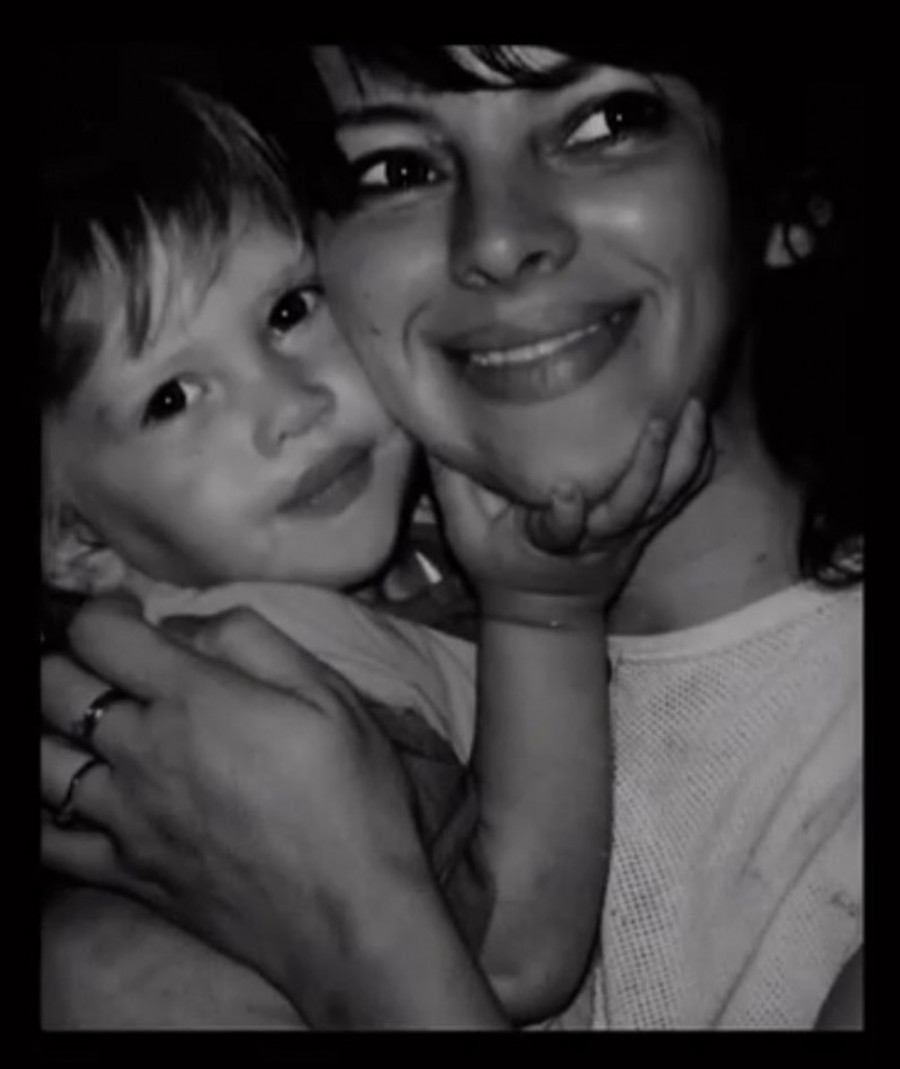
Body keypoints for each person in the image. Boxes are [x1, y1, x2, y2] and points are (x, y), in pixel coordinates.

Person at [40, 42, 862, 1029]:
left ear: (791, 195)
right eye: (397, 168)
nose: (498, 239)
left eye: (608, 122)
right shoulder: (249, 666)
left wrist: (360, 926)